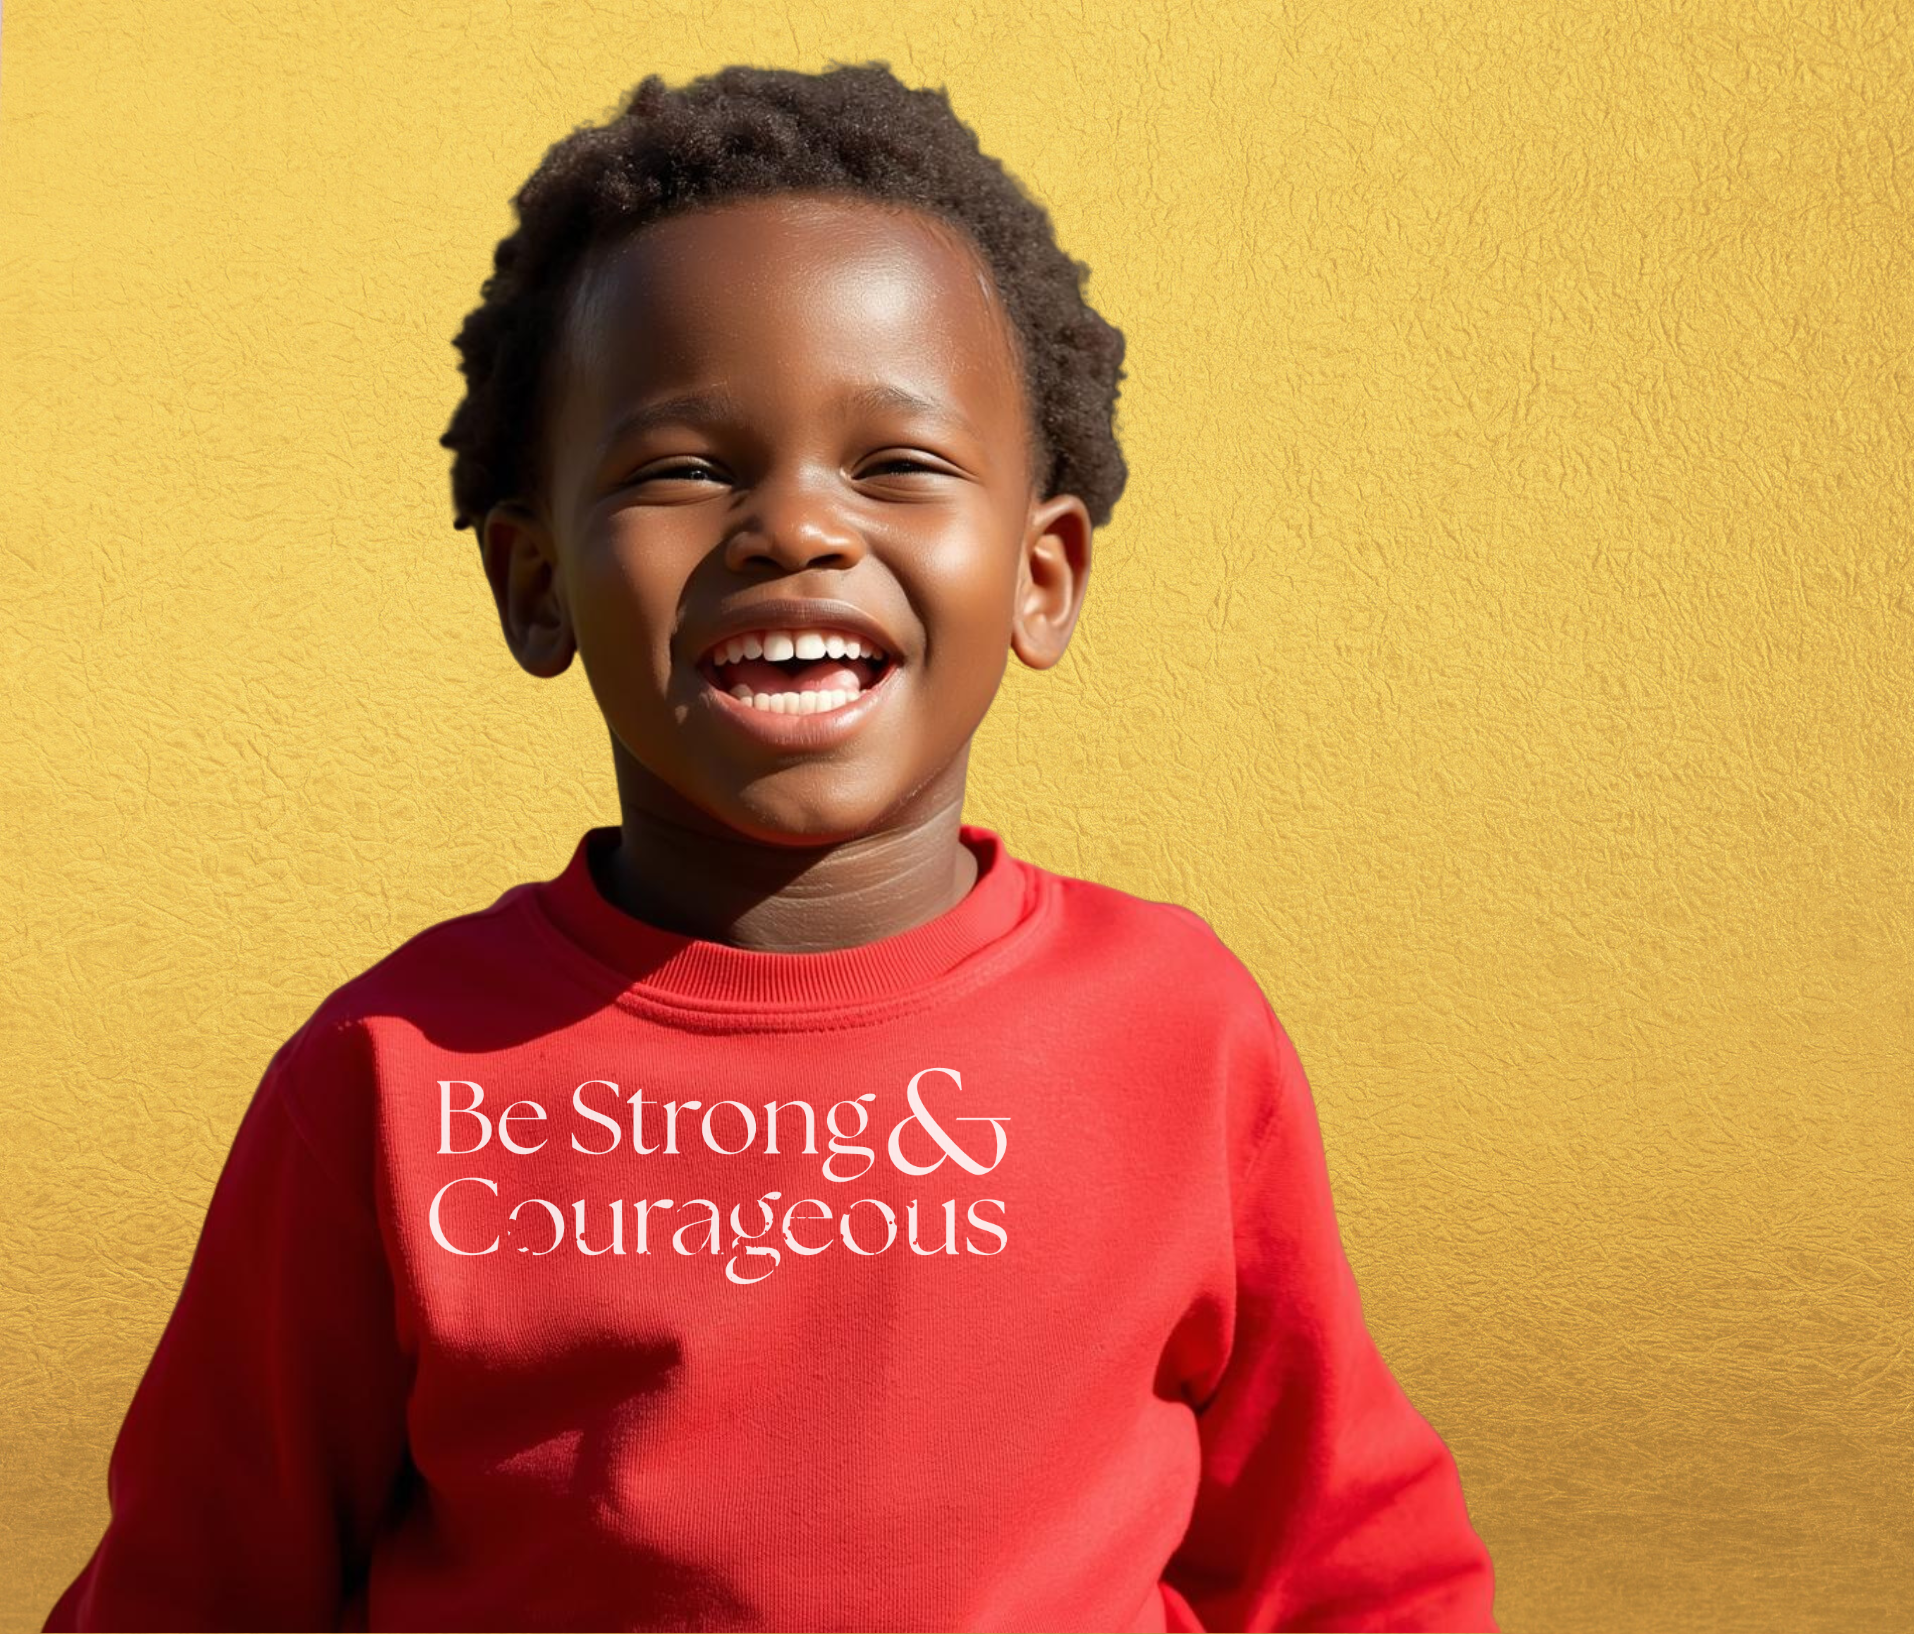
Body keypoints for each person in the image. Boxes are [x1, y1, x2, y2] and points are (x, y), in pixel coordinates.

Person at [43, 63, 1498, 1634]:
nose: (794, 528)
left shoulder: (1179, 1032)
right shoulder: (392, 1080)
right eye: (686, 467)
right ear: (535, 583)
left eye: (898, 464)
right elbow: (197, 1584)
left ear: (1044, 573)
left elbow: (1348, 1564)